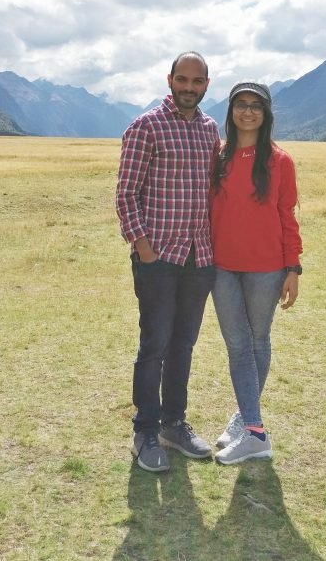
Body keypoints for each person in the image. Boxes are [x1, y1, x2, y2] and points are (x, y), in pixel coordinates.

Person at [115, 51, 221, 473]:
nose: (189, 88)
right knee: (155, 345)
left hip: (200, 257)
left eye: (197, 81)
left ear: (207, 84)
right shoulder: (146, 126)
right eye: (183, 79)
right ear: (170, 79)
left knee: (184, 344)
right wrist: (143, 247)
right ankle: (145, 430)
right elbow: (126, 194)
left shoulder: (211, 130)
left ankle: (173, 423)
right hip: (159, 256)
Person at [209, 82, 303, 465]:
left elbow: (287, 216)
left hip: (266, 267)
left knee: (257, 340)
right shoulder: (217, 155)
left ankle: (254, 432)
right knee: (237, 343)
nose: (248, 112)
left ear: (265, 114)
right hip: (220, 266)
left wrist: (293, 267)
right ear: (231, 111)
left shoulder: (279, 161)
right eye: (241, 105)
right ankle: (247, 420)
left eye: (256, 106)